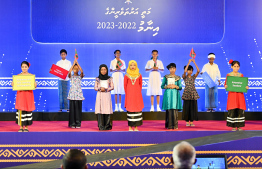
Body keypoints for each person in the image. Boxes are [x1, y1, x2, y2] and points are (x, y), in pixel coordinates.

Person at [12, 61, 37, 132]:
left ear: (28, 67)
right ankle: (20, 127)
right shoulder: (18, 76)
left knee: (27, 111)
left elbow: (34, 86)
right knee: (20, 111)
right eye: (23, 67)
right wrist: (13, 84)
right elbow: (15, 86)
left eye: (25, 67)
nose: (24, 68)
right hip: (20, 96)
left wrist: (35, 85)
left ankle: (26, 127)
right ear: (21, 67)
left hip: (28, 96)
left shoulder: (31, 76)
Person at [225, 60, 248, 131]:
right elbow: (226, 84)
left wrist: (246, 87)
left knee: (239, 110)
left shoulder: (241, 75)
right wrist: (225, 86)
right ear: (232, 67)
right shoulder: (228, 75)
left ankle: (239, 126)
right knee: (233, 109)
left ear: (239, 67)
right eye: (235, 66)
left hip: (239, 96)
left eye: (237, 66)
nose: (236, 68)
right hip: (232, 96)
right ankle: (233, 127)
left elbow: (243, 85)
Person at [124, 60, 144, 131]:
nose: (133, 67)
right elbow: (125, 86)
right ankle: (130, 127)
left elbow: (140, 85)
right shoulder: (126, 75)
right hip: (129, 95)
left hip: (137, 95)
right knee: (130, 110)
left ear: (136, 66)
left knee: (137, 110)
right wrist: (129, 93)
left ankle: (136, 127)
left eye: (134, 65)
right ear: (129, 66)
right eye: (131, 65)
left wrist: (137, 92)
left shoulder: (139, 75)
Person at [161, 63, 182, 129]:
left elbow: (180, 87)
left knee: (174, 109)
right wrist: (167, 86)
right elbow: (162, 86)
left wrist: (176, 86)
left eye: (173, 68)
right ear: (169, 69)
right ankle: (169, 125)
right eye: (170, 68)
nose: (172, 70)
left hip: (175, 95)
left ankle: (175, 125)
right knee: (169, 109)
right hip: (168, 95)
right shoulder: (166, 77)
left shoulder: (178, 77)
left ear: (175, 69)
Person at [95, 64, 114, 130]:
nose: (103, 71)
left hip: (107, 94)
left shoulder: (109, 78)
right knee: (100, 109)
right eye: (102, 70)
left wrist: (106, 89)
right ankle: (101, 126)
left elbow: (112, 87)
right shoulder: (97, 79)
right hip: (100, 95)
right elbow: (95, 87)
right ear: (100, 70)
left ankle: (107, 126)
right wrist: (100, 89)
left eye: (105, 69)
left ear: (107, 70)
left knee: (107, 109)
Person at [182, 59, 200, 127]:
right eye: (189, 70)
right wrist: (188, 62)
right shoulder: (184, 77)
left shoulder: (193, 77)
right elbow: (184, 71)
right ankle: (187, 121)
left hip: (193, 94)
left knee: (193, 108)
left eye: (191, 70)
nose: (190, 71)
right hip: (186, 93)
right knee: (187, 108)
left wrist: (194, 62)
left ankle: (192, 122)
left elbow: (198, 71)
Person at [67, 59, 84, 128]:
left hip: (79, 95)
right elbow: (69, 72)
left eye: (77, 69)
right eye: (74, 69)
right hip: (72, 94)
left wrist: (77, 63)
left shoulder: (80, 76)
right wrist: (73, 64)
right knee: (72, 109)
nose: (76, 70)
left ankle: (78, 123)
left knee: (78, 110)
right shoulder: (71, 76)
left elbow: (82, 71)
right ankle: (72, 123)